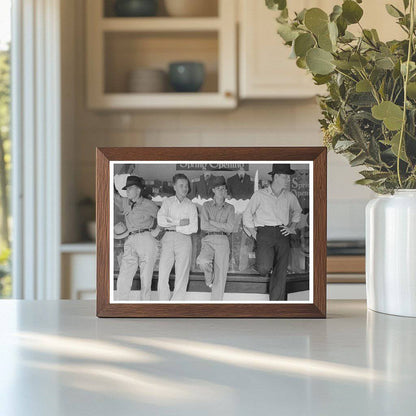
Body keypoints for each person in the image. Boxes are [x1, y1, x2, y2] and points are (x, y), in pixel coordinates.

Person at [243, 164, 302, 301]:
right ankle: (258, 263)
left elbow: (297, 211)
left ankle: (277, 304)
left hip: (283, 233)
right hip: (264, 233)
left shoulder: (289, 196)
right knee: (264, 267)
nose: (288, 179)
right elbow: (247, 215)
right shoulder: (260, 195)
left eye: (288, 176)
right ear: (276, 177)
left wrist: (292, 227)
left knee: (280, 272)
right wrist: (254, 234)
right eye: (285, 176)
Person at [114, 176, 159, 301]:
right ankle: (121, 306)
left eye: (130, 188)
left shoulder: (149, 204)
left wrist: (157, 232)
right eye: (126, 189)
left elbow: (163, 218)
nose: (127, 191)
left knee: (145, 278)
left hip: (146, 238)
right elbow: (113, 195)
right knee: (123, 276)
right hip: (130, 239)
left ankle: (144, 309)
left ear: (138, 190)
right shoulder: (125, 202)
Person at [157, 173, 198, 300]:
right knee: (163, 273)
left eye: (186, 186)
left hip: (184, 240)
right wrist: (180, 223)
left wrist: (173, 225)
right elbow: (160, 221)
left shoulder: (191, 205)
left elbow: (193, 228)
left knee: (182, 274)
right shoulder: (167, 202)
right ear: (174, 187)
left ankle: (176, 304)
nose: (185, 188)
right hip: (168, 239)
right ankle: (163, 303)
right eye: (181, 186)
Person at [196, 176, 235, 301]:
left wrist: (212, 222)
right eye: (218, 188)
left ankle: (215, 305)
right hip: (208, 239)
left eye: (223, 188)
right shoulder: (206, 205)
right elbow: (203, 225)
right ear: (213, 190)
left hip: (223, 241)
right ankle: (209, 279)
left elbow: (229, 228)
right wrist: (221, 226)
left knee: (221, 275)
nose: (221, 191)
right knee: (202, 261)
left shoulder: (230, 208)